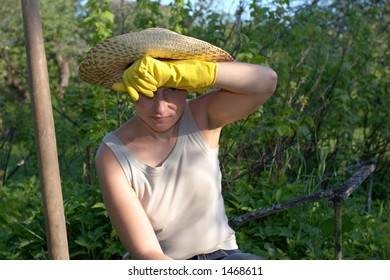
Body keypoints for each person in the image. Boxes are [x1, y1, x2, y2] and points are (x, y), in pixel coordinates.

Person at [79, 28, 277, 260]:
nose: (160, 107)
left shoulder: (201, 117)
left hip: (223, 257)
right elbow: (146, 252)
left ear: (186, 83)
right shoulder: (112, 154)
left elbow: (266, 81)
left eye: (172, 88)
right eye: (148, 90)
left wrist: (183, 71)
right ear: (130, 89)